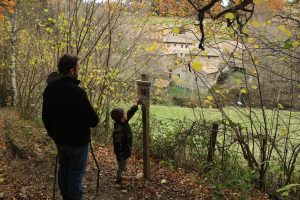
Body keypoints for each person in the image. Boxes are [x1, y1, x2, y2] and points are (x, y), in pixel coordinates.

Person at [42, 54, 99, 200]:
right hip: (78, 143)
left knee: (64, 169)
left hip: (60, 140)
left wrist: (54, 134)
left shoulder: (49, 89)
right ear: (72, 71)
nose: (78, 70)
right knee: (75, 174)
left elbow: (45, 117)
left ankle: (65, 197)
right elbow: (93, 120)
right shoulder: (77, 92)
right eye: (78, 68)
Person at [110, 99, 142, 184]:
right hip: (122, 152)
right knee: (121, 166)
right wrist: (120, 156)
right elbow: (117, 144)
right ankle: (118, 179)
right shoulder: (118, 130)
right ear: (121, 117)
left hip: (126, 149)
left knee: (123, 164)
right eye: (124, 113)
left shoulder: (123, 121)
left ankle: (122, 171)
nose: (126, 114)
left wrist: (136, 104)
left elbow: (130, 112)